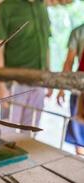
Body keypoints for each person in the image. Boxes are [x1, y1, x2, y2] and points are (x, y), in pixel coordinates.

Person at [0, 0, 52, 131]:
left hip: (39, 81)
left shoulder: (42, 6)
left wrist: (49, 76)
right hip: (14, 82)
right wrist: (0, 85)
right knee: (8, 131)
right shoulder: (4, 7)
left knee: (31, 131)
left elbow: (46, 43)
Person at [57, 24, 84, 156]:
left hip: (80, 88)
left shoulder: (78, 32)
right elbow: (69, 62)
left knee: (79, 135)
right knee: (79, 137)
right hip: (80, 88)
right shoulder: (78, 32)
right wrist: (62, 87)